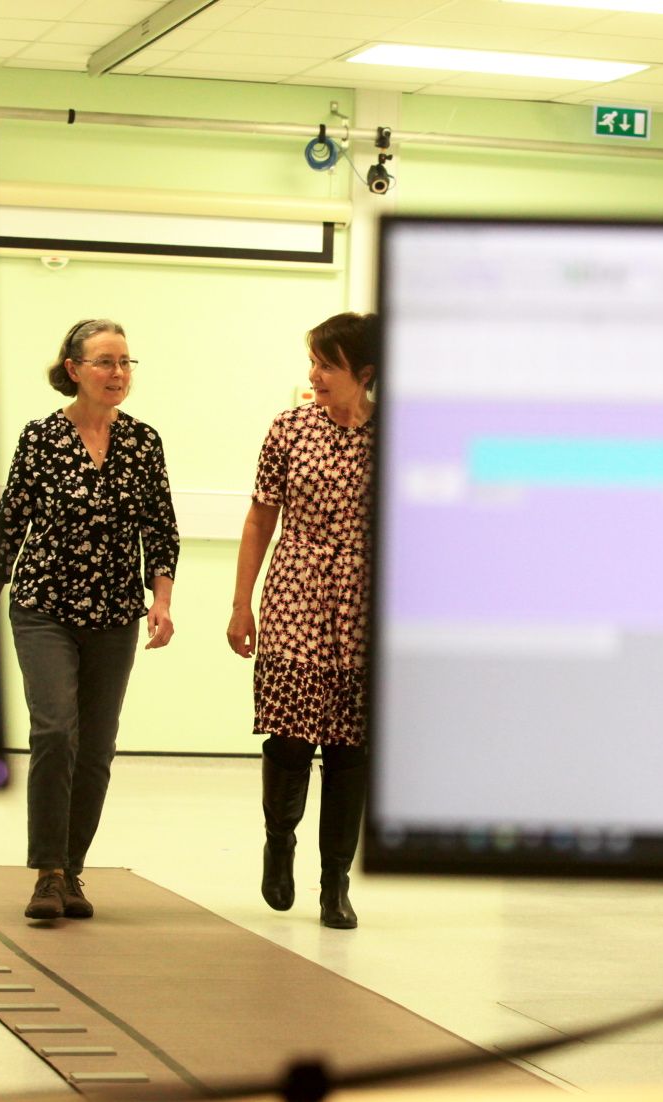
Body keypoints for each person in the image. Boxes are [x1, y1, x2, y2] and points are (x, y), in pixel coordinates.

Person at [0, 318, 178, 922]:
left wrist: (162, 599)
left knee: (96, 747)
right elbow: (10, 522)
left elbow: (161, 528)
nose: (118, 373)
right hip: (43, 606)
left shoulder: (143, 442)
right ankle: (46, 872)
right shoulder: (41, 437)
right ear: (74, 369)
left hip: (113, 614)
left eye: (125, 362)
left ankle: (72, 869)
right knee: (54, 731)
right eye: (104, 362)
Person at [227, 312, 377, 929]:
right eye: (312, 361)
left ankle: (335, 882)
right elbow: (261, 517)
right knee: (289, 733)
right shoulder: (288, 429)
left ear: (363, 374)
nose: (312, 375)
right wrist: (242, 602)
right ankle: (279, 843)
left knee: (351, 747)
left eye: (326, 364)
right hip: (294, 592)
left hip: (364, 605)